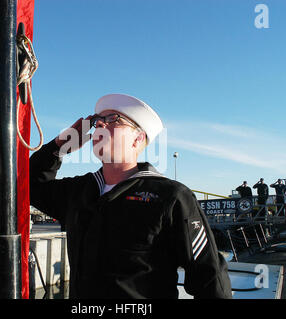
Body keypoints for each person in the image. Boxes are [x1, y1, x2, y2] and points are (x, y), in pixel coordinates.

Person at [29, 93, 232, 299]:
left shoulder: (171, 197)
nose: (99, 124)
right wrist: (59, 146)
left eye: (113, 119)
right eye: (96, 121)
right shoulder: (79, 191)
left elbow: (210, 279)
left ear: (138, 138)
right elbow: (29, 185)